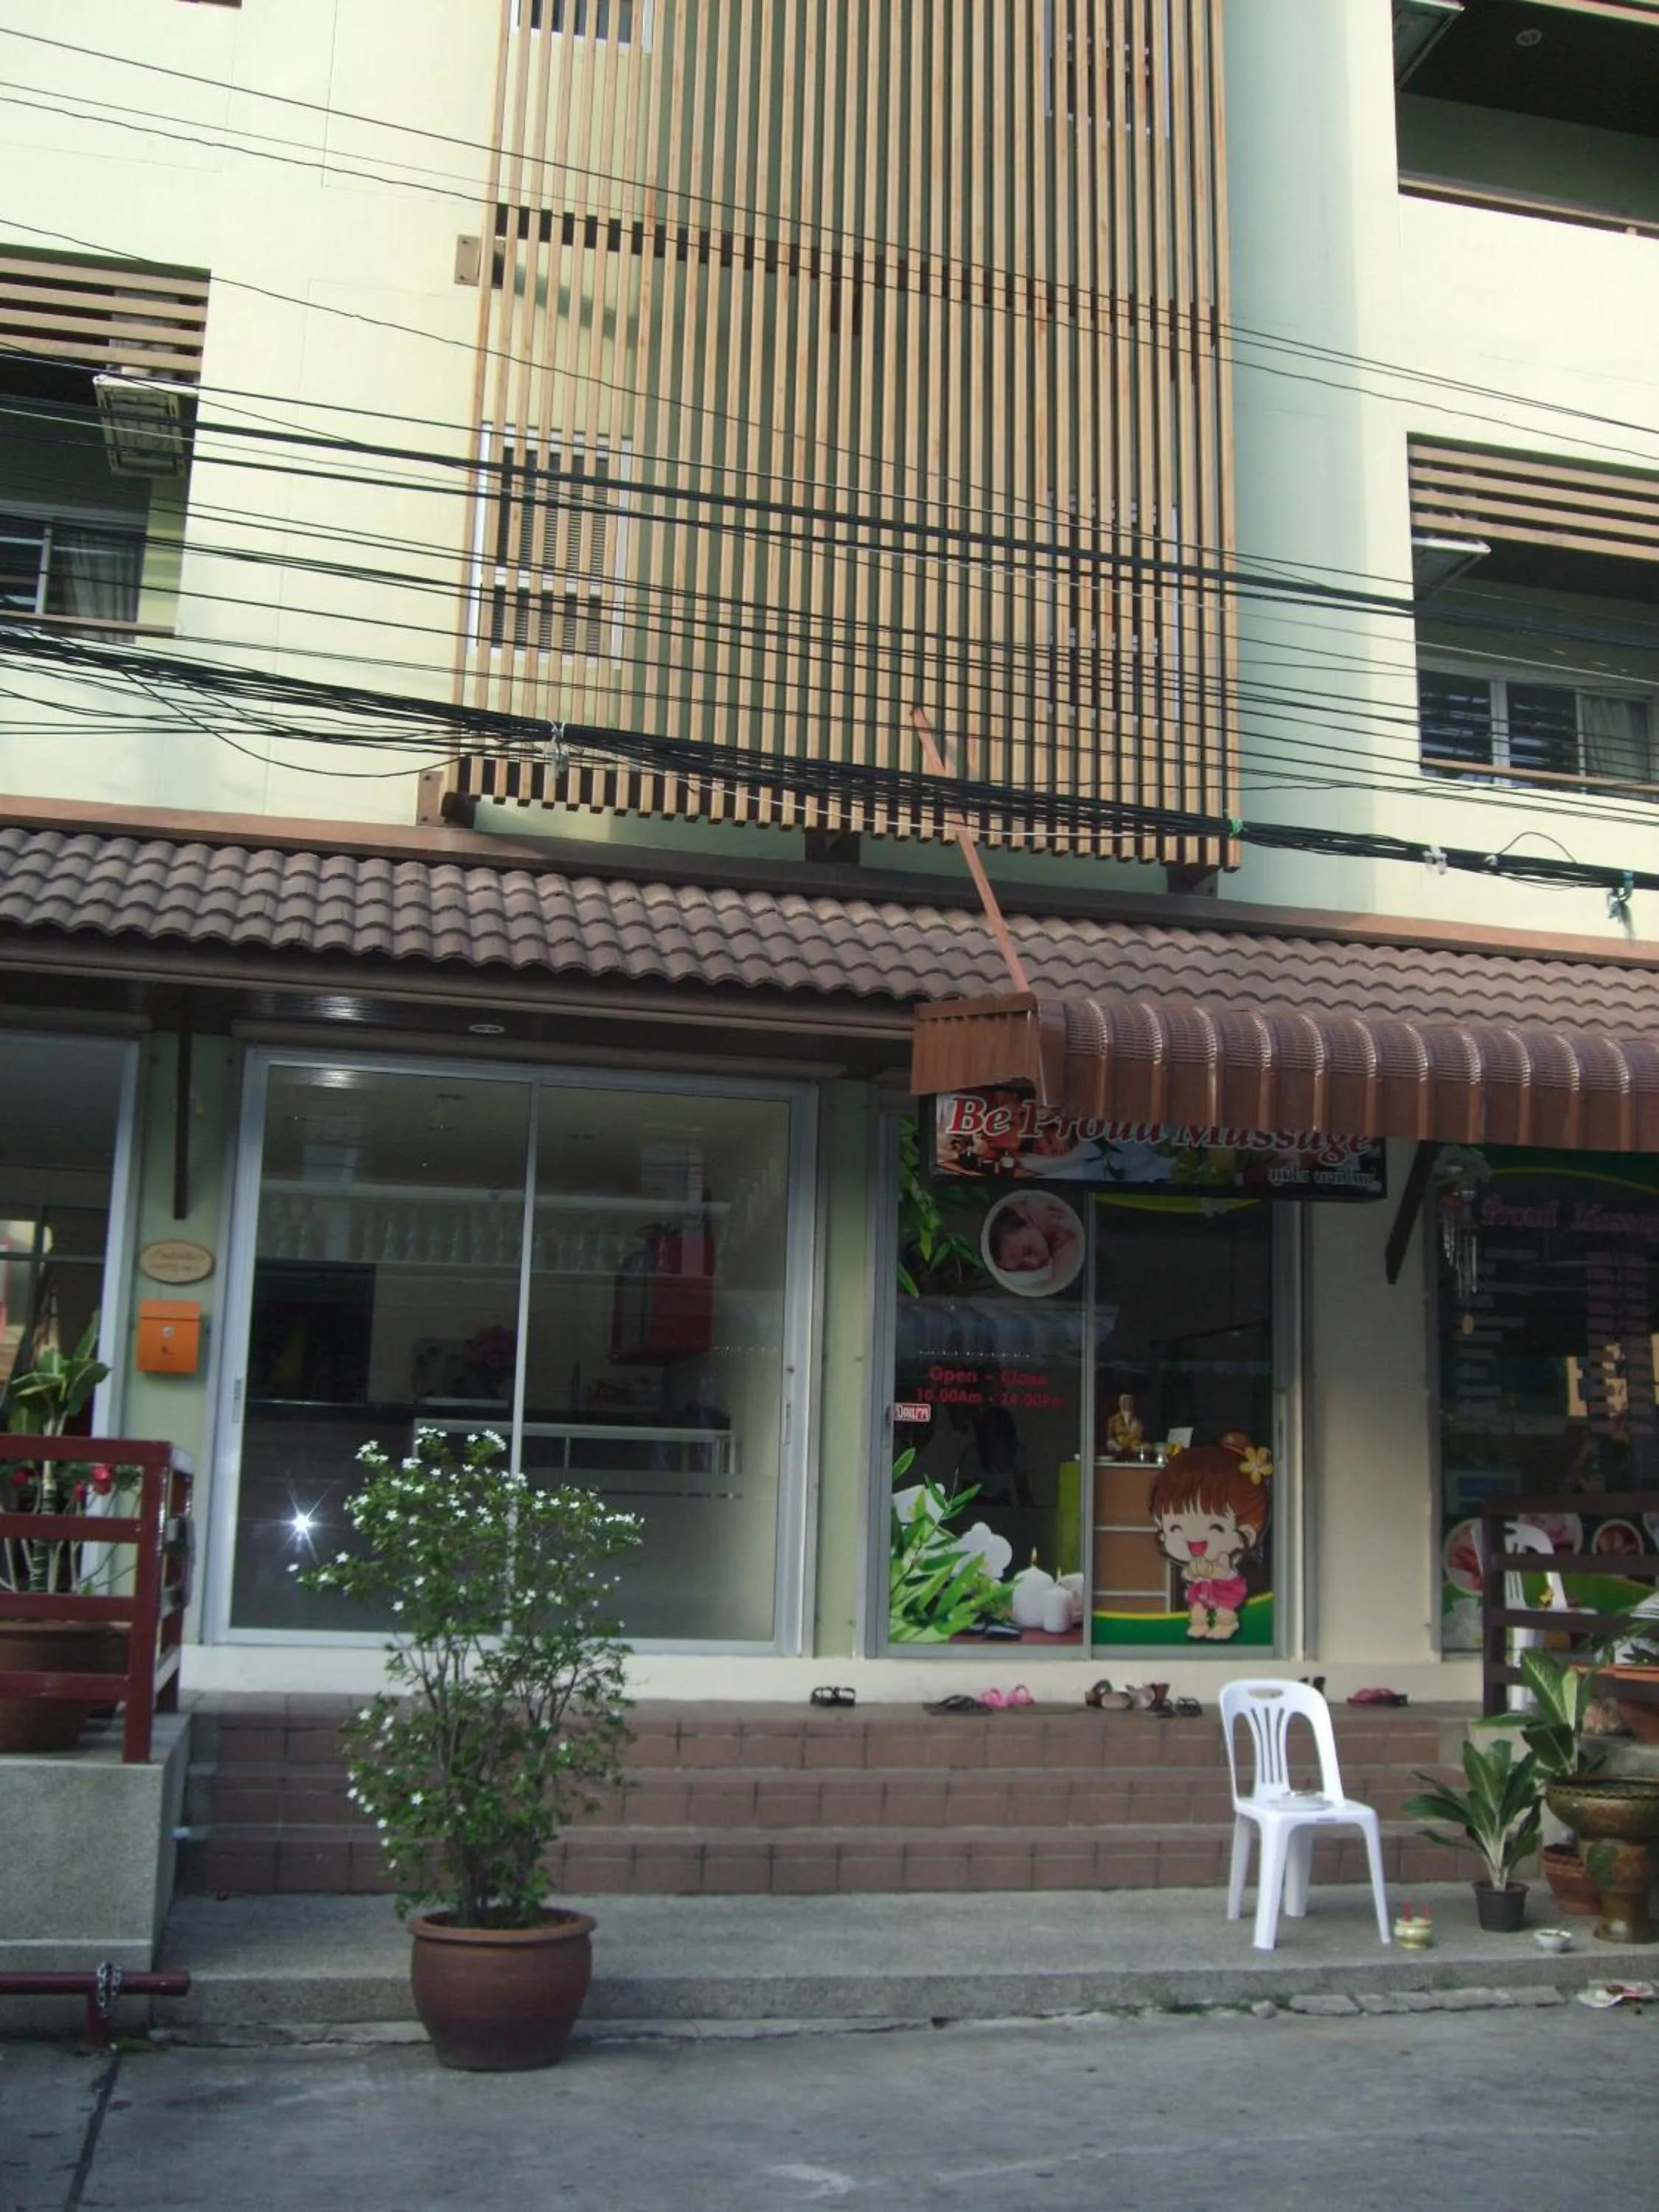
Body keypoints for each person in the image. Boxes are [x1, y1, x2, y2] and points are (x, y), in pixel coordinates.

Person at [1147, 1430, 1271, 1641]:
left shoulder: (1225, 1557)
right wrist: (1192, 1574)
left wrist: (1211, 1571)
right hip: (1202, 1589)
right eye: (1176, 1528)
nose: (1194, 1539)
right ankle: (1199, 1624)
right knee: (1197, 1608)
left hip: (1225, 1589)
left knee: (1224, 1609)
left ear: (1247, 1531)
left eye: (1216, 1528)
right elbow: (1189, 1574)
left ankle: (1227, 1624)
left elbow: (1224, 1571)